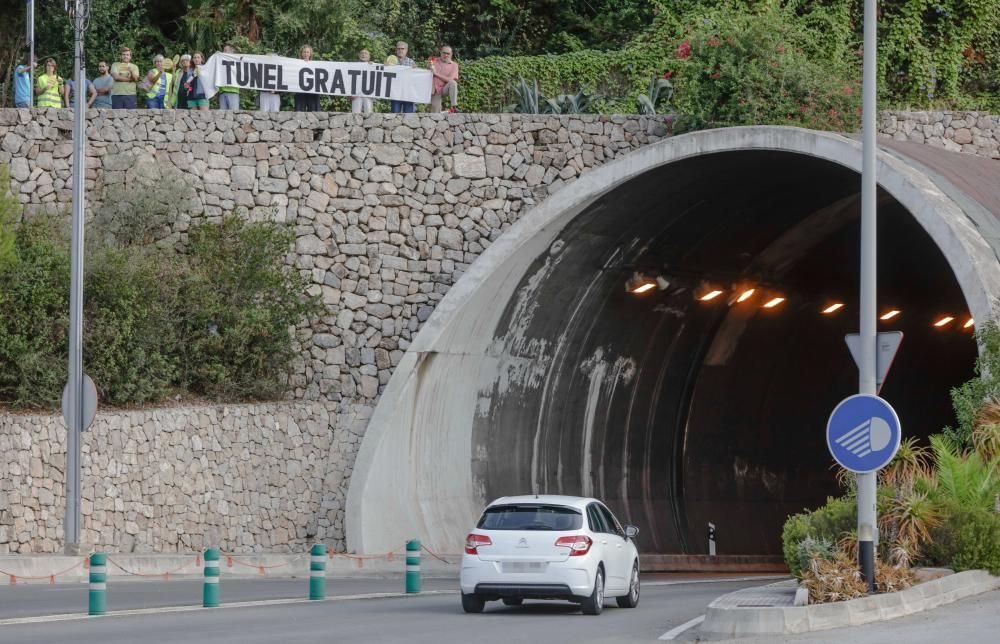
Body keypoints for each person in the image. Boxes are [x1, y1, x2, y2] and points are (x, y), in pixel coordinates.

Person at [386, 41, 415, 113]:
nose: (400, 50)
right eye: (398, 49)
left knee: (408, 115)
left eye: (402, 48)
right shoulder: (390, 61)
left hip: (408, 93)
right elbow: (384, 73)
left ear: (406, 50)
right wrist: (385, 67)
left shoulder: (411, 62)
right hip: (395, 92)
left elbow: (416, 77)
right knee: (395, 114)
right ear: (396, 50)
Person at [430, 45, 460, 113]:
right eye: (444, 53)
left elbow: (450, 80)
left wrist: (436, 74)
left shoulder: (454, 65)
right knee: (435, 113)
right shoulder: (434, 61)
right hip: (435, 90)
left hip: (445, 88)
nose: (446, 55)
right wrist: (429, 66)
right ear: (440, 52)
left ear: (451, 54)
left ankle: (454, 106)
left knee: (453, 83)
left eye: (448, 53)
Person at [294, 44, 320, 112]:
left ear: (310, 54)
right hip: (300, 91)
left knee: (313, 112)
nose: (306, 54)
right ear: (301, 53)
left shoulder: (316, 65)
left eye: (307, 52)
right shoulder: (295, 64)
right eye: (304, 52)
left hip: (312, 92)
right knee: (299, 112)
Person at [218, 44, 240, 110]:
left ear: (231, 52)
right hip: (222, 91)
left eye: (225, 50)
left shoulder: (237, 61)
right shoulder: (220, 62)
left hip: (233, 91)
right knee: (223, 116)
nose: (223, 52)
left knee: (234, 114)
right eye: (223, 50)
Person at [351, 49, 373, 114]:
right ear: (359, 55)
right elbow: (349, 80)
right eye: (362, 53)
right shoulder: (353, 66)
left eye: (366, 53)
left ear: (369, 56)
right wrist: (349, 93)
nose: (363, 55)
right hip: (356, 93)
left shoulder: (373, 66)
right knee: (355, 114)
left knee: (369, 113)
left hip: (368, 93)